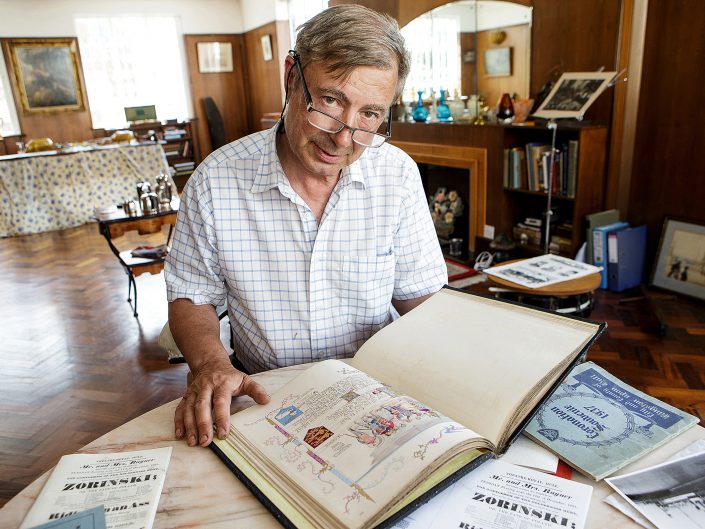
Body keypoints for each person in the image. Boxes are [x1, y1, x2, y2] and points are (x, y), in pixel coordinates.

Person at [164, 4, 447, 448]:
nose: (344, 138)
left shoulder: (398, 174)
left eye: (370, 115)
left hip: (376, 395)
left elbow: (422, 299)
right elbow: (191, 296)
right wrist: (211, 364)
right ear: (291, 76)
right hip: (263, 396)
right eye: (331, 101)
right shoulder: (216, 180)